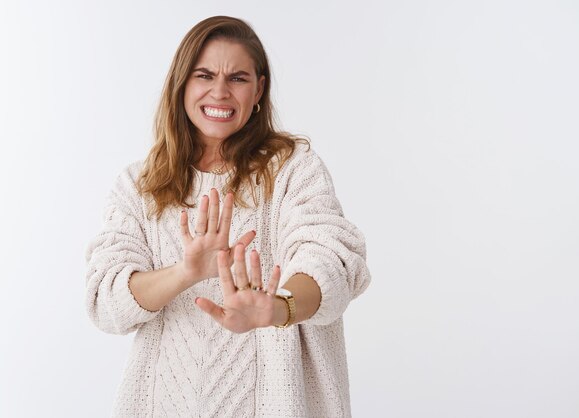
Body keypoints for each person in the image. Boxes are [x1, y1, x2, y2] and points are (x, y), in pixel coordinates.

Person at [85, 15, 370, 417]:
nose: (220, 92)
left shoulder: (292, 169)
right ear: (182, 84)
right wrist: (184, 272)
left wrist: (278, 308)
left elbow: (332, 261)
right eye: (204, 75)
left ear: (258, 90)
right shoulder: (139, 184)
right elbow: (105, 302)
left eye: (237, 78)